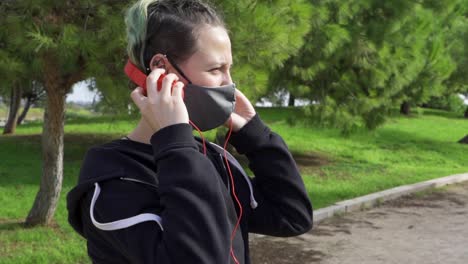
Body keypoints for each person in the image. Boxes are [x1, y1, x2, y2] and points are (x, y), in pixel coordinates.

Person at [66, 0, 313, 263]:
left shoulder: (209, 157)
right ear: (161, 68)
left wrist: (257, 136)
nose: (229, 84)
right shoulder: (112, 184)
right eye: (216, 69)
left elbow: (292, 216)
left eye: (229, 68)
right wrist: (175, 143)